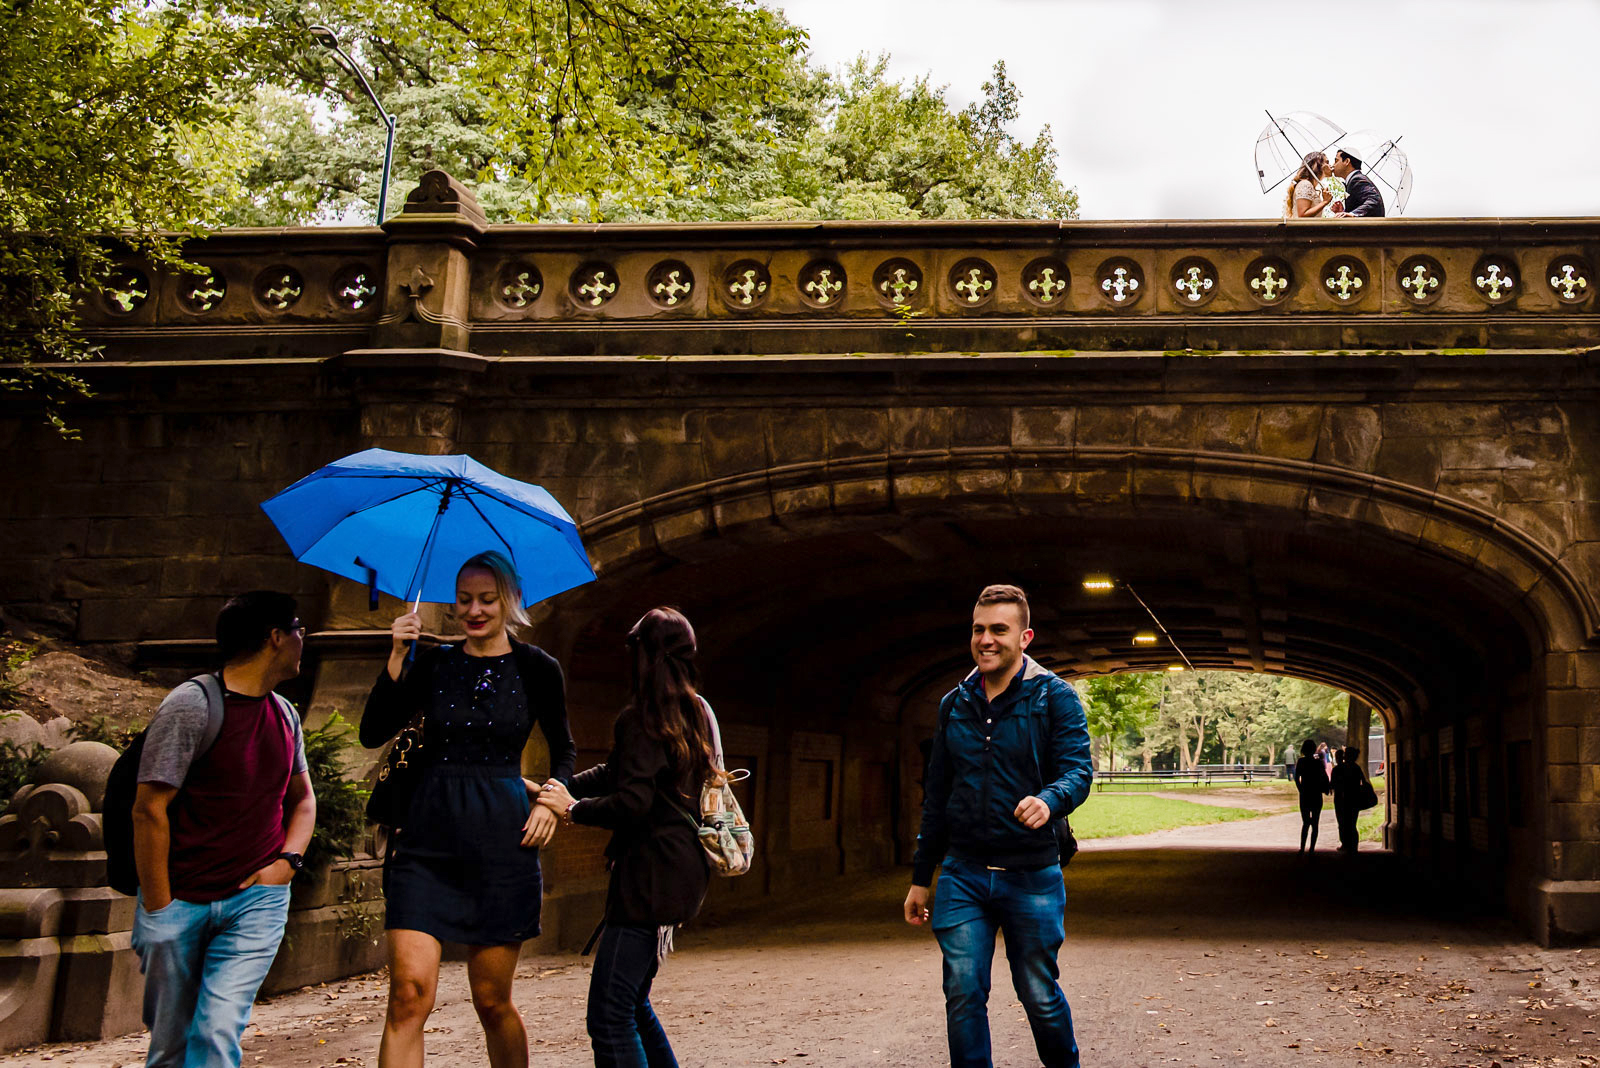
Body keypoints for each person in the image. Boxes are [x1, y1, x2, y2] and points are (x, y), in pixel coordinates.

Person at [361, 551, 576, 1068]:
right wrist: (397, 658)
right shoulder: (432, 662)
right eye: (464, 600)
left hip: (503, 843)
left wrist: (551, 799)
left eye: (487, 599)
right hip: (425, 842)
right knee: (408, 997)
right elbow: (373, 733)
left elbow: (565, 750)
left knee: (491, 1000)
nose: (474, 610)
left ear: (510, 601)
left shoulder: (537, 668)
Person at [904, 584, 1093, 1068]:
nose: (985, 640)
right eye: (978, 630)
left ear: (1025, 637)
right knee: (963, 993)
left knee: (1038, 994)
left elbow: (1078, 770)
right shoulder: (954, 704)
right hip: (963, 874)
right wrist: (921, 878)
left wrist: (1050, 801)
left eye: (998, 630)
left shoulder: (1056, 698)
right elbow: (938, 796)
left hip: (1031, 874)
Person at [131, 591, 317, 1068]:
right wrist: (160, 911)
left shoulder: (284, 714)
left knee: (217, 1030)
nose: (304, 638)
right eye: (297, 628)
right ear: (275, 638)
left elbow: (303, 802)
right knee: (170, 1048)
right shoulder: (191, 706)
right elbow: (149, 808)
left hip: (255, 901)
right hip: (180, 901)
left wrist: (288, 862)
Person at [536, 607, 716, 1068]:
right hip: (682, 870)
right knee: (633, 1002)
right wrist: (562, 786)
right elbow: (620, 772)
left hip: (648, 881)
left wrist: (573, 811)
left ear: (646, 656)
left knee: (610, 1015)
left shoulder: (642, 717)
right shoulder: (694, 711)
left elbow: (632, 801)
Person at [1293, 739, 1331, 853]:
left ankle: (1302, 847)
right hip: (1316, 793)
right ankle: (1312, 848)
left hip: (1305, 794)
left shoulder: (1301, 762)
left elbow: (1296, 778)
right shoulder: (1318, 762)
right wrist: (1326, 788)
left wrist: (1301, 789)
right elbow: (1324, 777)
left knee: (1305, 822)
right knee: (1315, 823)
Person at [1330, 746, 1368, 853]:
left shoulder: (1338, 769)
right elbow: (1364, 782)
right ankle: (1353, 846)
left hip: (1340, 799)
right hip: (1354, 798)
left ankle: (1345, 844)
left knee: (1342, 823)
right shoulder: (1356, 768)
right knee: (1352, 824)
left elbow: (1333, 784)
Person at [1331, 149, 1386, 217]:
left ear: (1347, 161)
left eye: (1336, 161)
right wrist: (1343, 212)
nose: (1333, 165)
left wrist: (1352, 214)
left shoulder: (1357, 179)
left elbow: (1374, 200)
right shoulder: (1354, 180)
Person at [1283, 151, 1334, 219]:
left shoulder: (1311, 186)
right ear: (1317, 165)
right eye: (1327, 162)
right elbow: (1303, 214)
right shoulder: (1305, 184)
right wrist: (1325, 202)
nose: (1331, 165)